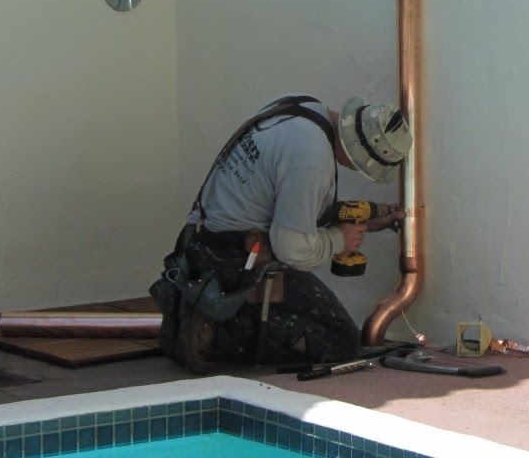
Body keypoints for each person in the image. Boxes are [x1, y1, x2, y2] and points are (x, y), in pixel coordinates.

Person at [151, 94, 412, 371]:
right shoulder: (312, 158)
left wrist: (369, 219)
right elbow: (292, 249)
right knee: (342, 339)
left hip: (202, 246)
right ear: (357, 151)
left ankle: (216, 319)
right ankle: (222, 331)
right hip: (232, 264)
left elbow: (280, 197)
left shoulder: (302, 109)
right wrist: (339, 240)